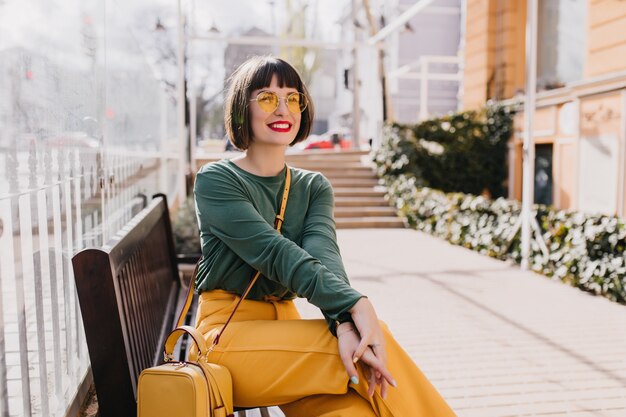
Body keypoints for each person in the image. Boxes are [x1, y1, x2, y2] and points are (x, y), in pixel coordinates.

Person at [193, 55, 456, 417]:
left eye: (292, 98)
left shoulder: (313, 186)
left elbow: (323, 255)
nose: (282, 108)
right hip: (226, 340)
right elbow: (275, 254)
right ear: (242, 109)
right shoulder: (217, 180)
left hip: (287, 333)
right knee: (376, 340)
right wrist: (357, 305)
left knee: (354, 410)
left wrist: (342, 322)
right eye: (267, 98)